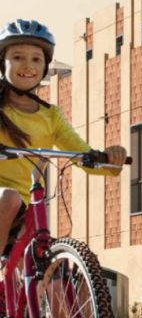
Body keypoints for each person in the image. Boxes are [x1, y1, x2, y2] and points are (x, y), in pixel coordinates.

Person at [0, 20, 125, 262]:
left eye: (36, 59)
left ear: (45, 66)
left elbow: (81, 154)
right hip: (3, 200)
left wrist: (109, 159)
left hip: (28, 207)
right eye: (17, 57)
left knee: (55, 273)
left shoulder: (51, 116)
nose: (27, 65)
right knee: (9, 197)